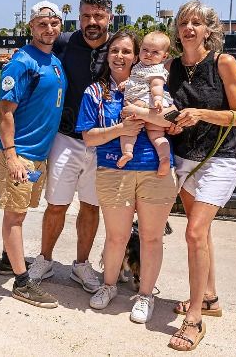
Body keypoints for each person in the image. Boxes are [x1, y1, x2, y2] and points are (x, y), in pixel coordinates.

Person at [74, 29, 178, 324]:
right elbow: (89, 137)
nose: (120, 56)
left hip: (154, 170)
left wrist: (138, 113)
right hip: (113, 170)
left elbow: (170, 117)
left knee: (151, 237)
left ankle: (145, 295)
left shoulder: (153, 81)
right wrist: (121, 129)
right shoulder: (96, 91)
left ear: (136, 57)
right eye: (114, 50)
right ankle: (109, 285)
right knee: (116, 237)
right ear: (107, 55)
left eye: (126, 51)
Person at [165, 0, 236, 352]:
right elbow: (168, 110)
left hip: (219, 160)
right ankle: (210, 297)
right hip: (184, 159)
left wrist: (200, 113)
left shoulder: (223, 62)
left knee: (194, 232)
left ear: (208, 30)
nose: (189, 28)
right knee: (202, 233)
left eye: (196, 23)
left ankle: (195, 318)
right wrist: (171, 124)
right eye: (184, 22)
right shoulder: (170, 66)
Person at [24, 0, 113, 294]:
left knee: (90, 205)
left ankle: (81, 265)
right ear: (79, 17)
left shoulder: (118, 47)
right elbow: (33, 54)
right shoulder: (64, 43)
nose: (92, 21)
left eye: (98, 16)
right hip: (66, 137)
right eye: (86, 16)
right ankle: (45, 259)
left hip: (102, 141)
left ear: (109, 17)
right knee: (56, 204)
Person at [0, 0, 66, 308]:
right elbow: (5, 112)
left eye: (53, 23)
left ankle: (7, 259)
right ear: (31, 27)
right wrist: (11, 155)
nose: (48, 28)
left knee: (21, 210)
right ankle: (22, 283)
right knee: (15, 215)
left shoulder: (54, 59)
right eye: (42, 23)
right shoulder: (21, 62)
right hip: (20, 152)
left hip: (38, 152)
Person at [117, 31, 177, 176]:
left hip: (146, 102)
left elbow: (156, 86)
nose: (148, 54)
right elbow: (135, 80)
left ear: (164, 56)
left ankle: (128, 151)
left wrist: (157, 99)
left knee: (128, 128)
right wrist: (126, 83)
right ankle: (162, 158)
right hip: (146, 104)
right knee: (156, 135)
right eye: (145, 50)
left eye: (155, 52)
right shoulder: (139, 66)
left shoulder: (157, 70)